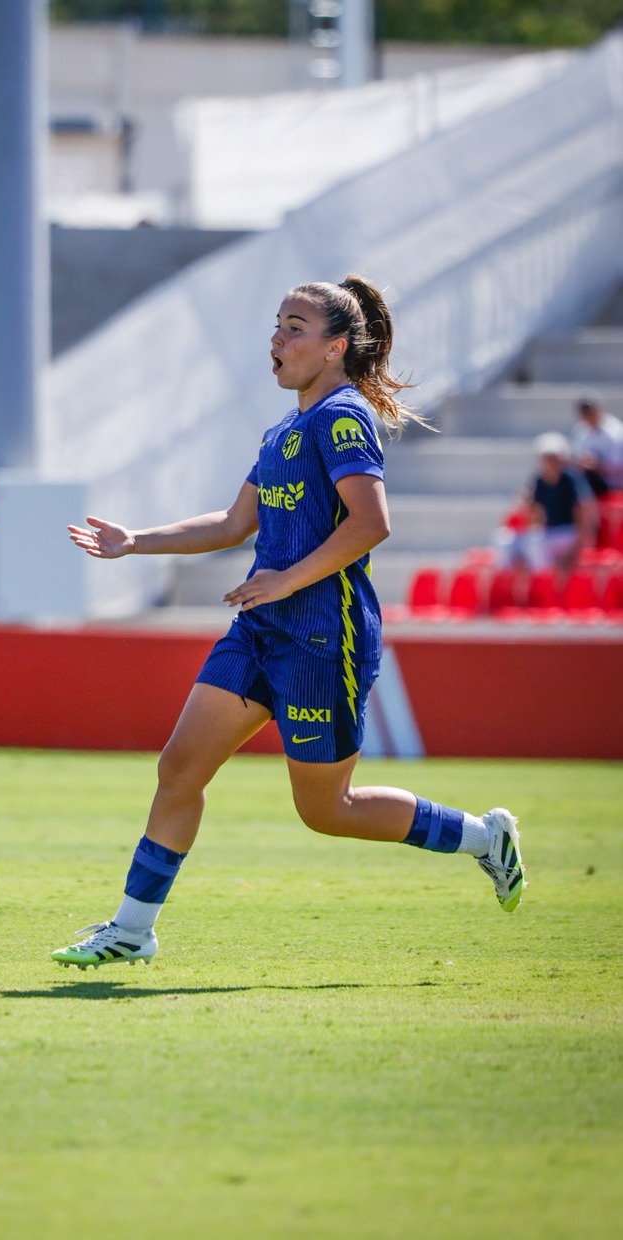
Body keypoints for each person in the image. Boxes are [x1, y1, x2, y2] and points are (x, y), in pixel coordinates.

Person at [52, 275, 527, 969]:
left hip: (321, 638)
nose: (277, 337)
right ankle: (132, 929)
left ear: (336, 347)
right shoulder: (283, 430)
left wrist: (284, 578)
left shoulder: (343, 418)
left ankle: (484, 838)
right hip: (261, 630)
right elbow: (232, 523)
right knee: (180, 768)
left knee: (327, 809)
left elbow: (371, 524)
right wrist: (136, 540)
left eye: (295, 326)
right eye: (277, 323)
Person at [494, 432, 596, 573]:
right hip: (548, 532)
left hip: (567, 531)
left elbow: (582, 510)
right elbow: (533, 509)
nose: (549, 462)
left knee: (536, 542)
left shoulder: (571, 480)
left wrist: (581, 542)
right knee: (504, 539)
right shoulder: (539, 480)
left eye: (552, 458)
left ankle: (545, 581)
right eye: (546, 458)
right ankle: (506, 585)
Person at [569, 392, 623, 495]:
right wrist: (583, 462)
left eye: (590, 412)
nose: (588, 416)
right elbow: (575, 459)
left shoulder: (616, 433)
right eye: (585, 413)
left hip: (612, 484)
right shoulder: (580, 430)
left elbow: (618, 466)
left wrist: (596, 465)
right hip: (588, 480)